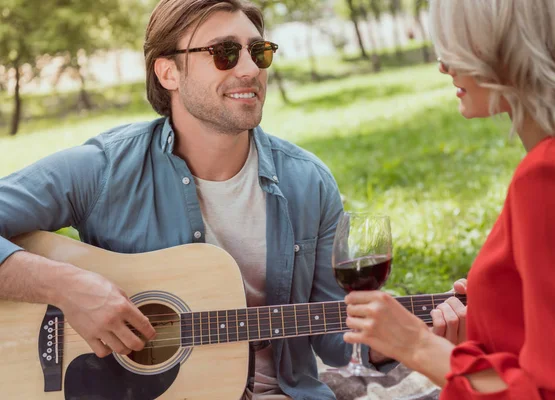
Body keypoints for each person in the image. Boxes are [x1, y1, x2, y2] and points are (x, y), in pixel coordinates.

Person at [0, 0, 394, 398]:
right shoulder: (102, 169)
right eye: (224, 53)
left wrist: (384, 342)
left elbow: (334, 337)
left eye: (258, 52)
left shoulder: (308, 182)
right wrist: (66, 287)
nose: (250, 69)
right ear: (168, 71)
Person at [343, 0, 555, 399]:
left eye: (457, 47)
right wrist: (475, 342)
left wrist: (417, 346)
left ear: (512, 49)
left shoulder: (550, 176)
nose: (443, 66)